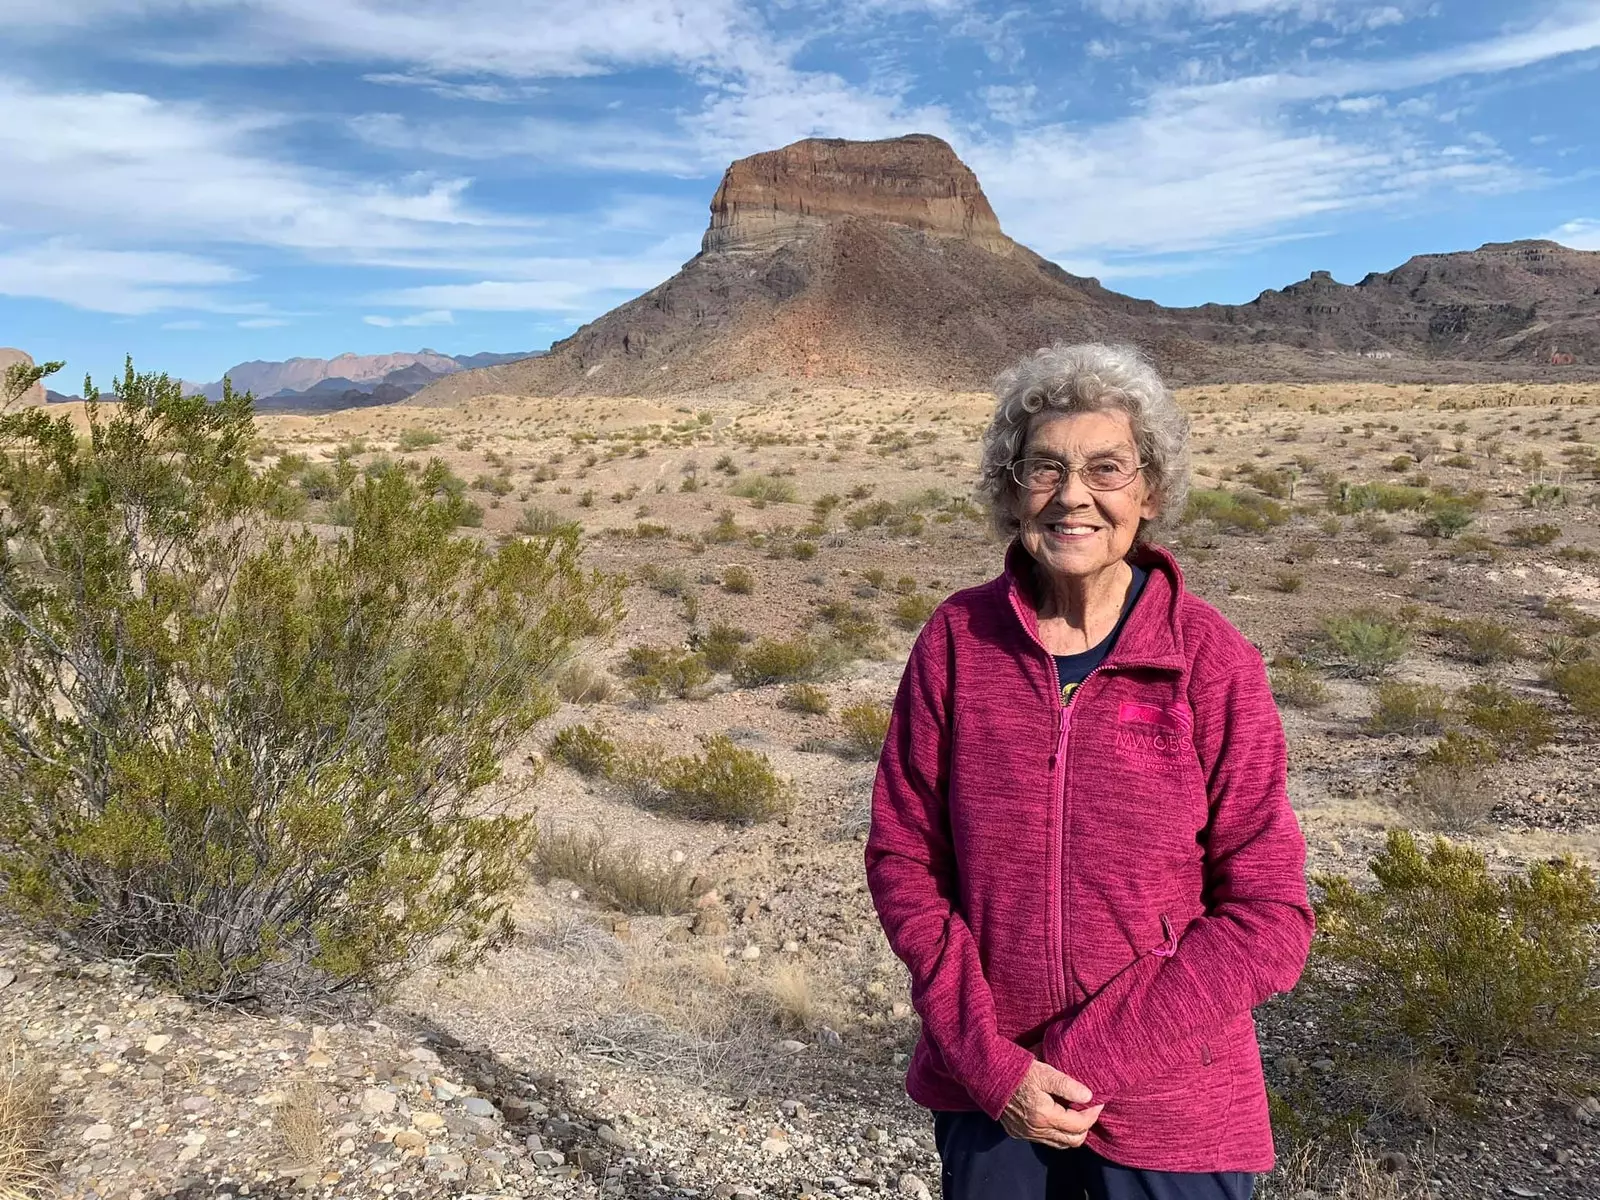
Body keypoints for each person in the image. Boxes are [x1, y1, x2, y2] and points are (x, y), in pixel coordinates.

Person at [865, 343, 1314, 1200]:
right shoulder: (958, 644)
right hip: (993, 1101)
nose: (1074, 495)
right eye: (1045, 468)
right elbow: (904, 863)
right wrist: (996, 1069)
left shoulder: (1210, 662)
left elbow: (1268, 915)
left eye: (1106, 467)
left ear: (1149, 491)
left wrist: (1076, 1061)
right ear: (1010, 489)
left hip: (1174, 1109)